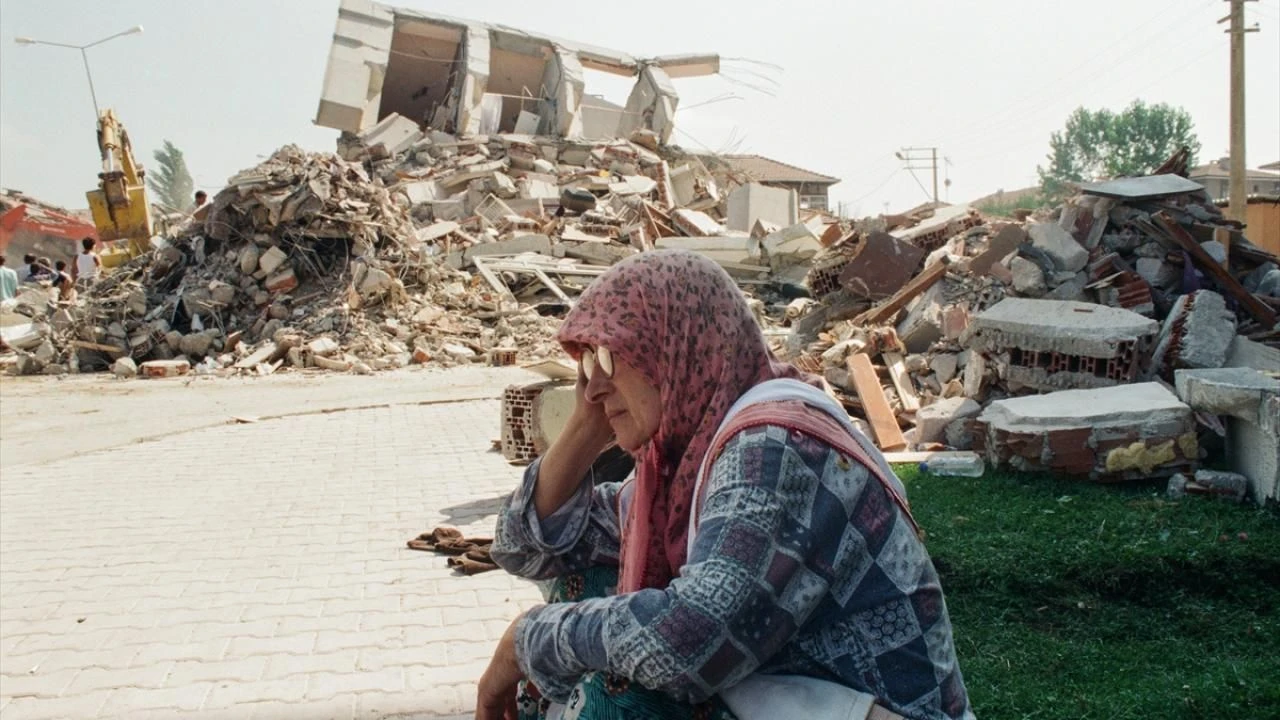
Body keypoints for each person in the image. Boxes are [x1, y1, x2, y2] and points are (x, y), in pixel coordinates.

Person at [482, 250, 974, 720]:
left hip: (882, 712)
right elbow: (528, 548)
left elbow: (688, 643)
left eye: (608, 358)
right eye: (585, 366)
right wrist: (586, 429)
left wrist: (527, 639)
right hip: (797, 699)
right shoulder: (680, 463)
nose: (591, 388)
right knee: (581, 585)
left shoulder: (775, 448)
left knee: (621, 689)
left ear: (673, 345)